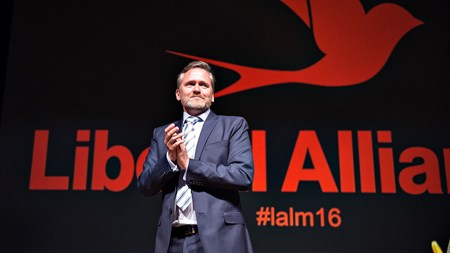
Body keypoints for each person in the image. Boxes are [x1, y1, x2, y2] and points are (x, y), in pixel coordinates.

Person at [138, 61, 254, 253]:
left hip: (220, 238)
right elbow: (145, 185)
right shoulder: (162, 134)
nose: (197, 89)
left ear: (213, 95)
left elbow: (243, 175)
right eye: (190, 84)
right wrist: (169, 160)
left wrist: (189, 165)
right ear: (178, 93)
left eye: (204, 85)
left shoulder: (233, 125)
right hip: (172, 240)